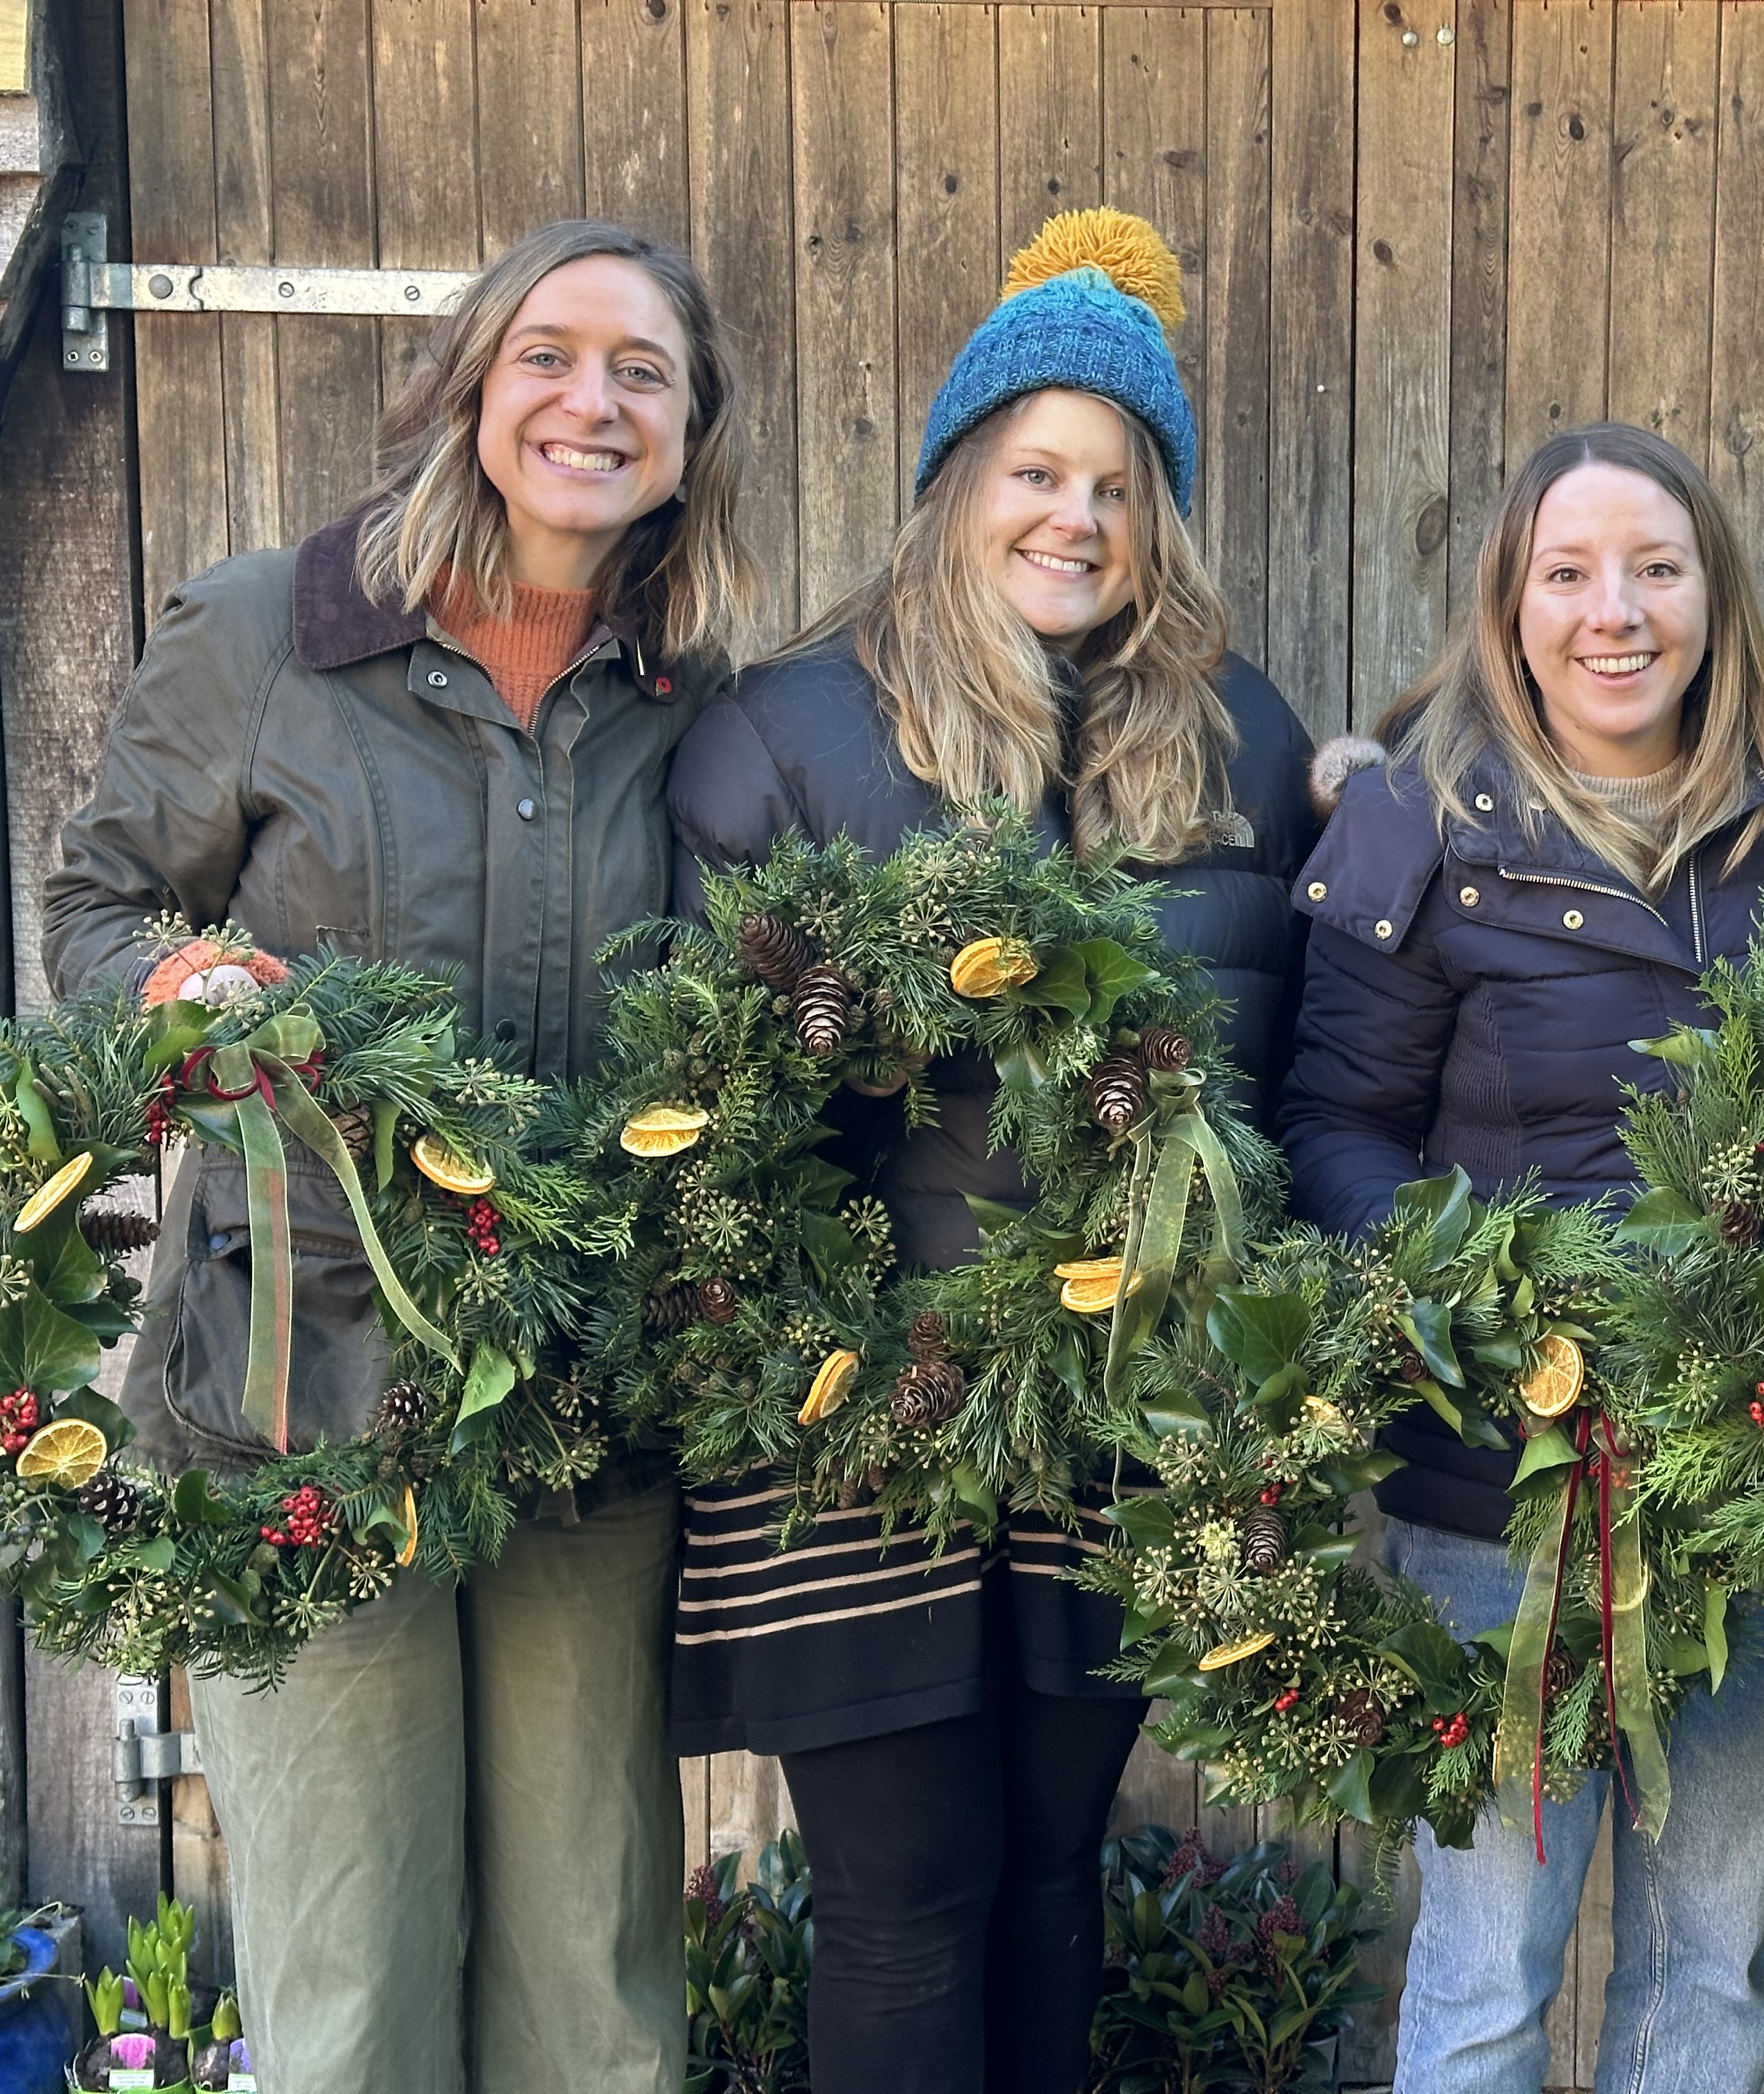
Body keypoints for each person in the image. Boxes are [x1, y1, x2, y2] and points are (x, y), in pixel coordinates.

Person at [43, 219, 756, 2094]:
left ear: (693, 435)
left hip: (580, 1411)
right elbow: (102, 906)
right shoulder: (272, 629)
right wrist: (194, 986)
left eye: (642, 373)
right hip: (302, 1393)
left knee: (593, 1988)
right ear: (468, 381)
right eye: (550, 355)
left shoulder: (688, 698)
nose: (591, 401)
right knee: (350, 1988)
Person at [663, 207, 1317, 2094]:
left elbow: (1275, 1065)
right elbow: (715, 1113)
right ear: (961, 483)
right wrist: (824, 1357)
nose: (1078, 519)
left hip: (1115, 1416)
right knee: (905, 1887)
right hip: (856, 1411)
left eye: (1119, 485)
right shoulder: (789, 733)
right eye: (1039, 471)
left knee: (1049, 1875)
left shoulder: (1239, 746)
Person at [1279, 422, 1764, 2094]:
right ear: (1511, 606)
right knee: (1486, 1976)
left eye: (1656, 568)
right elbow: (1333, 1131)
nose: (1617, 611)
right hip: (1502, 1492)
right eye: (1570, 572)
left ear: (1712, 592)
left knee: (1715, 1970)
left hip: (1751, 1464)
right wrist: (1502, 1295)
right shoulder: (1413, 818)